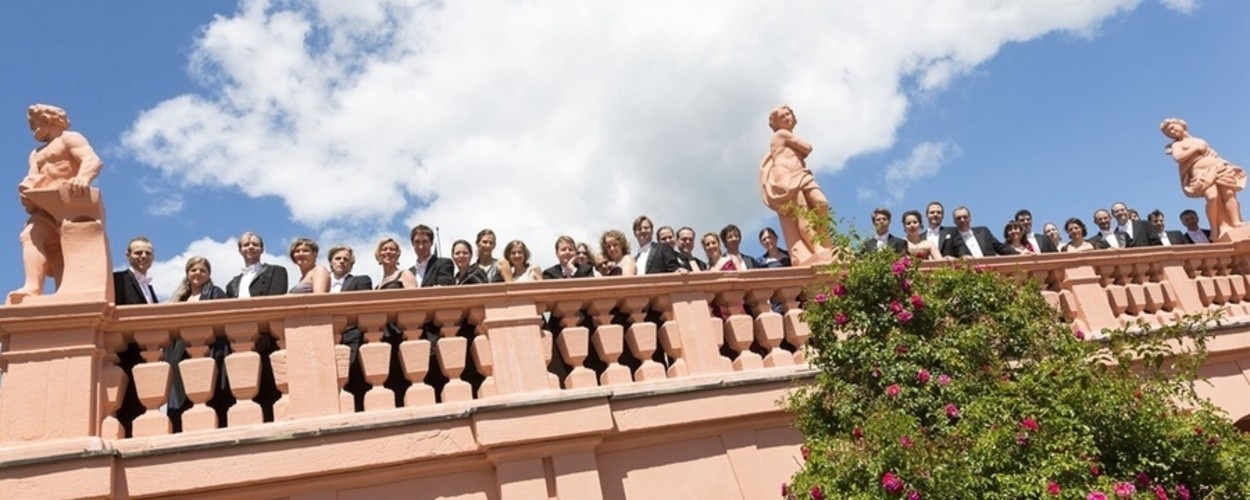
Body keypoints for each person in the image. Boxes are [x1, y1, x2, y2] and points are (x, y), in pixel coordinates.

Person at [10, 104, 104, 303]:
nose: (33, 130)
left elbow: (92, 160)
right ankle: (32, 287)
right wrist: (26, 192)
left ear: (48, 120)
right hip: (44, 207)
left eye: (34, 125)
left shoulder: (70, 138)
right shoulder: (36, 153)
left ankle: (68, 297)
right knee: (31, 234)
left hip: (69, 205)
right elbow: (32, 178)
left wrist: (83, 177)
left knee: (64, 253)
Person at [758, 105, 834, 264]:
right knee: (803, 213)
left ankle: (826, 242)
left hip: (802, 175)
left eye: (788, 114)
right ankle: (817, 247)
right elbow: (807, 148)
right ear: (776, 122)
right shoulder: (781, 134)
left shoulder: (786, 136)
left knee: (821, 204)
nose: (787, 118)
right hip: (787, 178)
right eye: (782, 117)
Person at [167, 256, 227, 431]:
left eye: (202, 270)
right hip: (180, 353)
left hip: (208, 350)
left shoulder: (215, 293)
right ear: (187, 273)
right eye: (194, 270)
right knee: (181, 393)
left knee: (205, 389)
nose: (198, 273)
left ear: (209, 274)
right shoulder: (180, 297)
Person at [1163, 118, 1247, 240]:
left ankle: (1236, 222)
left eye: (1172, 128)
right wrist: (1195, 149)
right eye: (1168, 132)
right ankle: (1214, 227)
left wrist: (1225, 164)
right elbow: (1178, 157)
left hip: (1218, 168)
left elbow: (1213, 154)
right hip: (1200, 174)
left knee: (1228, 193)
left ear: (1181, 125)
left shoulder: (1199, 140)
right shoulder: (1177, 144)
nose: (1171, 132)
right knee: (1212, 197)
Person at [226, 232, 289, 298]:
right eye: (246, 245)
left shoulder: (276, 272)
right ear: (240, 250)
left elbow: (277, 301)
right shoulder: (231, 285)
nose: (250, 247)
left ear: (262, 250)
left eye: (255, 244)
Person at [950, 206, 1017, 257]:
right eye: (958, 218)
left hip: (990, 269)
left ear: (970, 218)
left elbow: (999, 247)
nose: (962, 220)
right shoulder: (951, 239)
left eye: (965, 217)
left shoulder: (983, 232)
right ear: (954, 221)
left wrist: (1019, 254)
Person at [114, 236, 157, 305]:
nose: (144, 256)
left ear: (153, 257)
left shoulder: (149, 288)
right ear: (128, 256)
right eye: (138, 253)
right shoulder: (117, 279)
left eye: (148, 253)